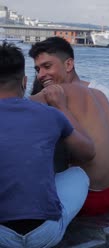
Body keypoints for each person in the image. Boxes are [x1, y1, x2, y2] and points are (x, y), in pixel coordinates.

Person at [0, 43, 94, 247]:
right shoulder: (50, 114)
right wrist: (61, 108)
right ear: (24, 82)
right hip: (45, 234)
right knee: (78, 175)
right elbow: (88, 152)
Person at [28, 37, 109, 196]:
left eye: (47, 66)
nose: (41, 75)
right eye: (37, 69)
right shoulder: (97, 92)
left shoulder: (64, 92)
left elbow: (18, 106)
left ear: (69, 64)